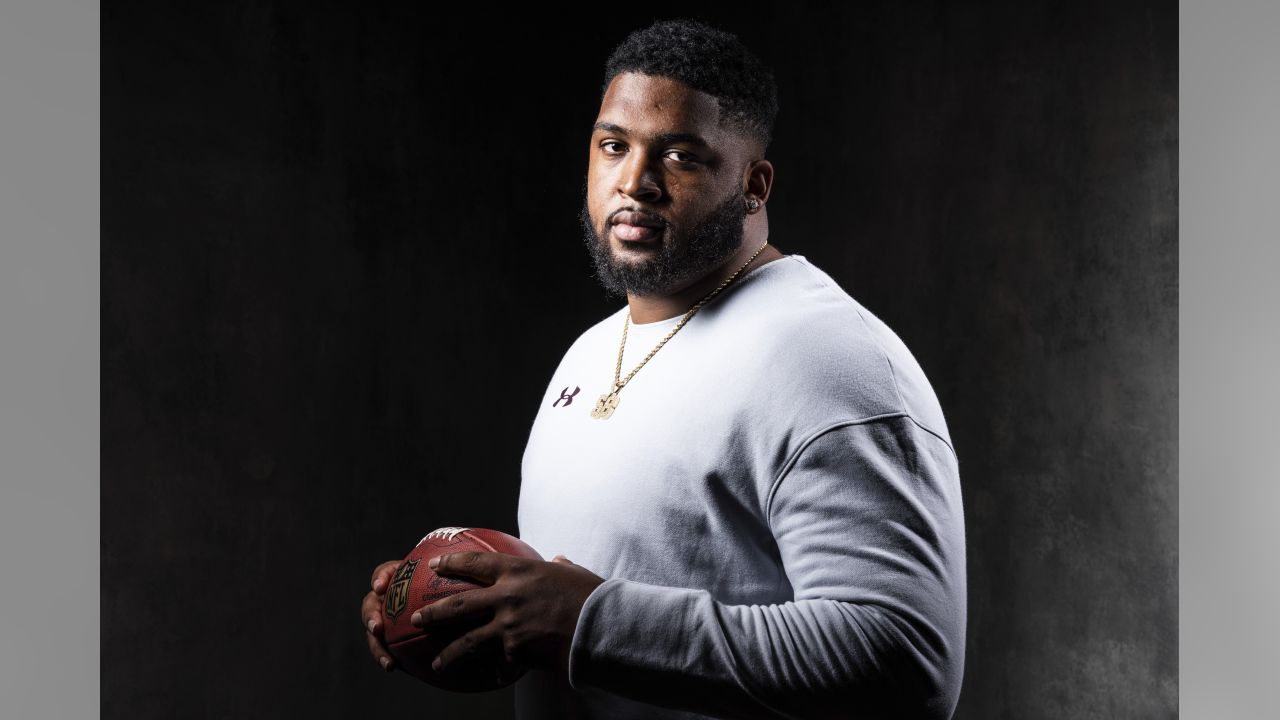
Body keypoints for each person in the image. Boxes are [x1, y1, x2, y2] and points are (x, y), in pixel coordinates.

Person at [360, 18, 966, 720]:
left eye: (680, 157)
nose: (635, 182)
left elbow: (905, 664)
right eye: (614, 146)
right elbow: (608, 570)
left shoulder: (825, 356)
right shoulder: (589, 353)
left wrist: (590, 622)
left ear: (753, 185)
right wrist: (440, 595)